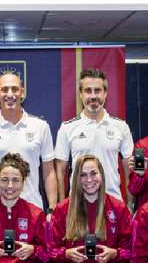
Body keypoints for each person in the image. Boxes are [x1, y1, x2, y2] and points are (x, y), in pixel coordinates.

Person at [0, 72, 57, 213]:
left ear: (22, 92)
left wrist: (52, 210)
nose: (10, 94)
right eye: (4, 89)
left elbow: (49, 172)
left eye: (14, 89)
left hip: (32, 209)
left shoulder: (40, 127)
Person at [54, 69, 133, 202]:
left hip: (113, 202)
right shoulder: (67, 128)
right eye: (88, 91)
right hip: (78, 204)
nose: (93, 96)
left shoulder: (121, 127)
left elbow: (129, 169)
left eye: (97, 90)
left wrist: (130, 205)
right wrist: (62, 206)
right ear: (80, 94)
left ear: (105, 93)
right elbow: (60, 171)